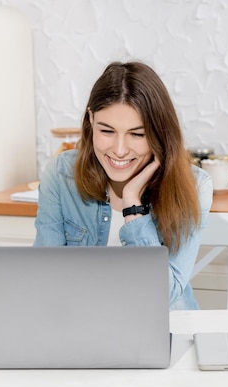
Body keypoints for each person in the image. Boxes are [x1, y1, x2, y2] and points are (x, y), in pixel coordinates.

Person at [34, 61, 213, 310]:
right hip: (85, 329)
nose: (119, 150)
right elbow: (45, 276)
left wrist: (133, 207)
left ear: (159, 133)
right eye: (106, 131)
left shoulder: (196, 186)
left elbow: (164, 294)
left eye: (137, 134)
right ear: (90, 120)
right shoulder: (61, 174)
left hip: (164, 331)